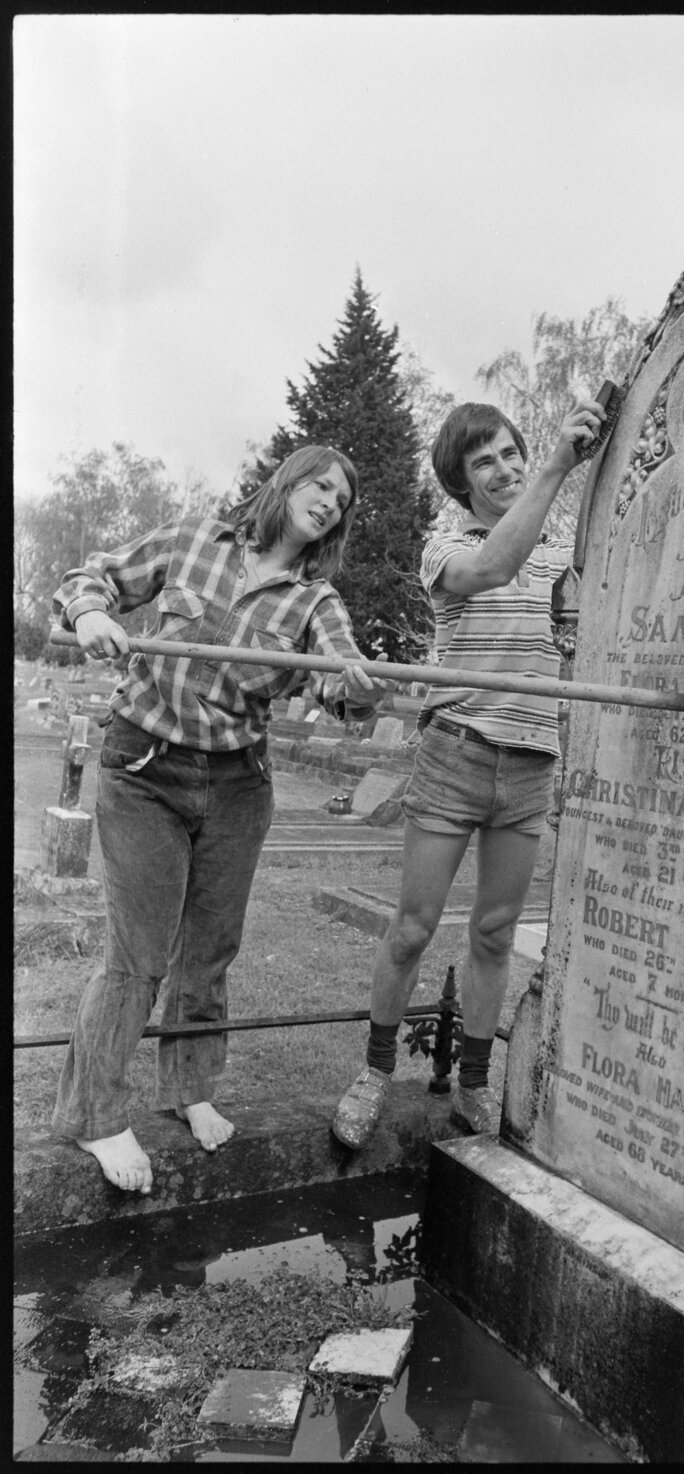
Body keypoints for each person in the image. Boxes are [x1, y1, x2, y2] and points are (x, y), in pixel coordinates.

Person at [50, 445, 391, 1194]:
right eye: (320, 485)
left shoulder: (315, 601)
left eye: (342, 499)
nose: (329, 502)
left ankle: (189, 1088)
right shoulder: (192, 540)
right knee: (139, 952)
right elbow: (89, 575)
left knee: (209, 949)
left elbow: (342, 676)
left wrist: (360, 689)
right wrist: (93, 610)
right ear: (286, 483)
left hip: (238, 783)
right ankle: (95, 1115)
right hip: (145, 769)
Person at [332, 394, 605, 1149]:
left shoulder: (565, 556)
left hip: (531, 763)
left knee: (493, 933)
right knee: (413, 928)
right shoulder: (446, 548)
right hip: (457, 753)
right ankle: (375, 1073)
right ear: (461, 483)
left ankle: (475, 1085)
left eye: (512, 452)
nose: (504, 468)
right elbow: (495, 565)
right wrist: (559, 465)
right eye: (484, 461)